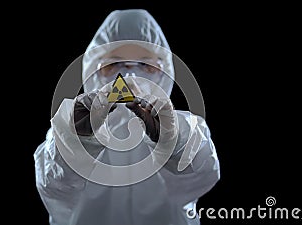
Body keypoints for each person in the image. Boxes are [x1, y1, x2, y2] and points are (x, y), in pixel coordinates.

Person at [34, 9, 220, 225]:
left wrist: (172, 140)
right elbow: (54, 186)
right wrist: (76, 140)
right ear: (92, 69)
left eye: (146, 64)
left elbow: (202, 174)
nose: (129, 74)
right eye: (113, 64)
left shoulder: (183, 129)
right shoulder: (69, 129)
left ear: (164, 70)